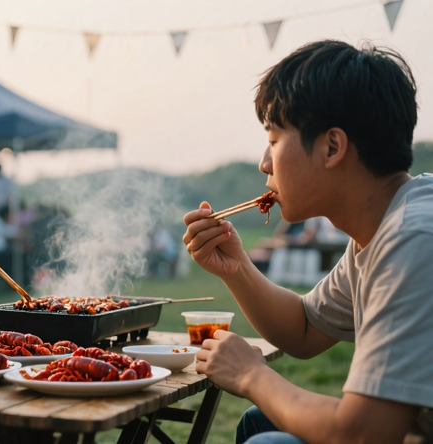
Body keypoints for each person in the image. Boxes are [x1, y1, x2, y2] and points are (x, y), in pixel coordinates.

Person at [182, 40, 431, 443]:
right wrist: (238, 266)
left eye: (275, 138)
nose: (265, 162)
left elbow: (363, 434)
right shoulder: (383, 226)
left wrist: (250, 373)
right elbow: (303, 328)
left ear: (332, 146)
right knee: (258, 422)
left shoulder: (413, 242)